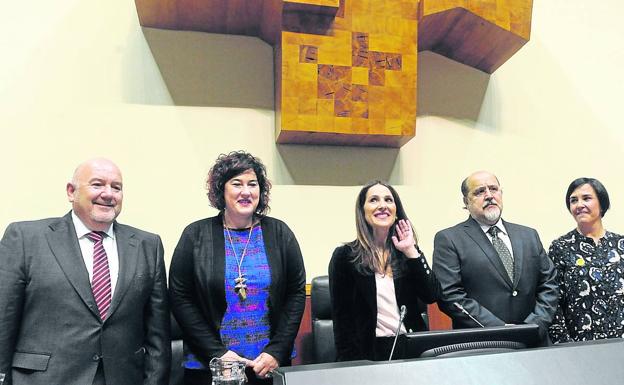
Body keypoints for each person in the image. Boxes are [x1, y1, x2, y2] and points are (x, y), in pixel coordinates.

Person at [0, 158, 171, 385]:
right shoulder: (25, 238)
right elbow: (4, 317)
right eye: (97, 184)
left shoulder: (147, 245)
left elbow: (158, 334)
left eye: (116, 187)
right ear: (71, 192)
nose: (108, 194)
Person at [169, 151, 306, 385]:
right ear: (221, 190)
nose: (246, 191)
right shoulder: (195, 235)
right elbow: (181, 298)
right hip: (209, 367)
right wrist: (217, 354)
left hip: (268, 367)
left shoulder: (280, 233)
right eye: (237, 184)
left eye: (252, 184)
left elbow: (296, 293)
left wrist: (276, 351)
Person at [432, 171, 558, 341]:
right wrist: (498, 328)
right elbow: (450, 295)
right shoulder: (449, 239)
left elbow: (549, 284)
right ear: (465, 201)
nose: (489, 196)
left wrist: (533, 326)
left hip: (534, 340)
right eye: (479, 192)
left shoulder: (528, 235)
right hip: (482, 344)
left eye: (493, 189)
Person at [329, 181, 442, 361]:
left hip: (411, 348)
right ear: (363, 211)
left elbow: (432, 294)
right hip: (368, 353)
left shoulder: (407, 252)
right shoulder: (345, 257)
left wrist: (411, 251)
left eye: (388, 200)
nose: (382, 205)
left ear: (396, 210)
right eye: (374, 200)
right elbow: (343, 321)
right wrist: (351, 365)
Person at [548, 177, 624, 343]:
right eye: (573, 200)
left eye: (586, 198)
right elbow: (554, 302)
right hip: (580, 348)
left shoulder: (620, 245)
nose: (579, 205)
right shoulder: (561, 247)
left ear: (602, 203)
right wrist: (565, 345)